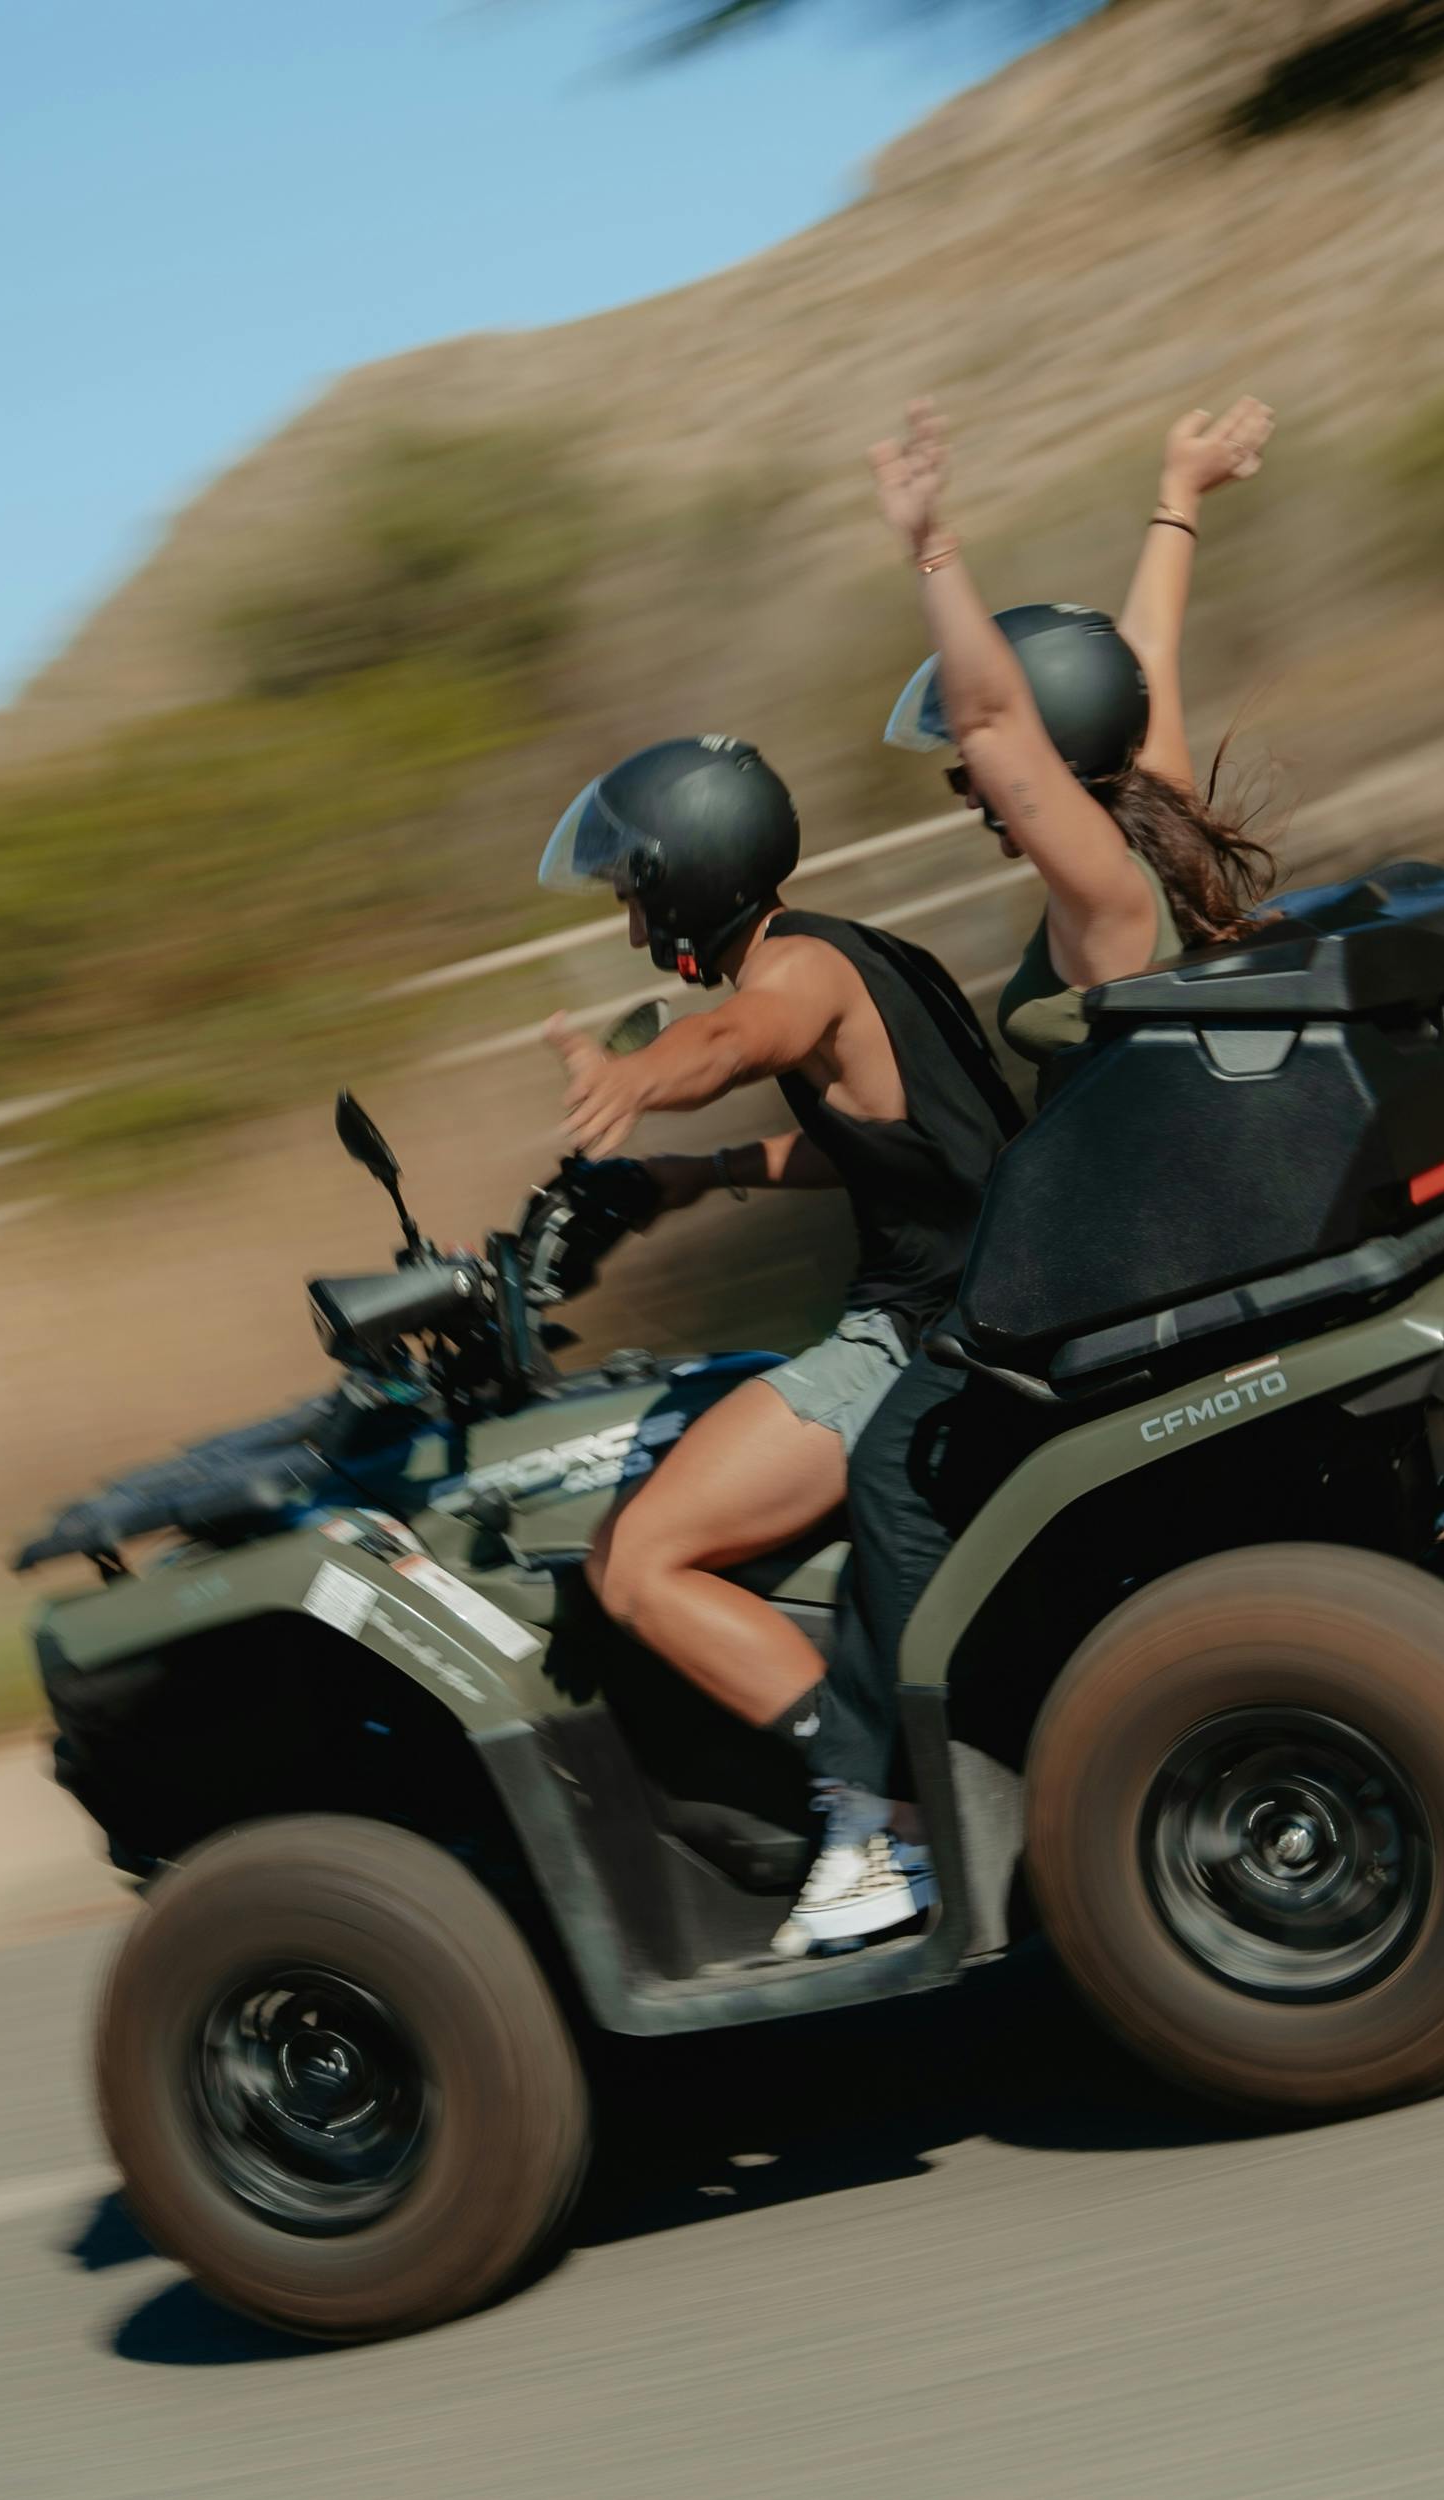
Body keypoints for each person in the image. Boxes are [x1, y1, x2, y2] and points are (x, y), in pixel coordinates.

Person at [773, 393, 1282, 1955]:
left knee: (892, 1466)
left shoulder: (1096, 898)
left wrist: (932, 547)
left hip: (1104, 1276)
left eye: (990, 775)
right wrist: (1177, 498)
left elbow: (1006, 722)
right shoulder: (1164, 834)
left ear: (1049, 769)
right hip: (1192, 1234)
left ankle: (883, 1830)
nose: (974, 794)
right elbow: (1137, 677)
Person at [536, 733, 1021, 1944]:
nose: (638, 928)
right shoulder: (864, 951)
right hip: (977, 1298)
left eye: (638, 894)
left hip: (920, 1334)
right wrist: (702, 1176)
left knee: (636, 1558)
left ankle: (877, 1825)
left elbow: (733, 1040)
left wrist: (637, 1077)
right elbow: (880, 1138)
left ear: (691, 875)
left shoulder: (794, 973)